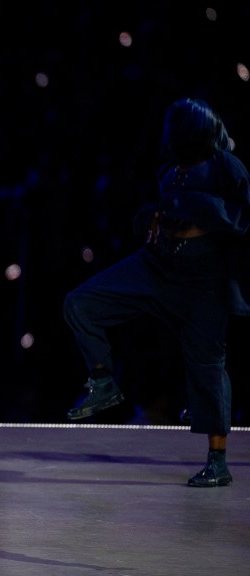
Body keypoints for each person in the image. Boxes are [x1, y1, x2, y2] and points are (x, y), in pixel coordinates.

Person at [63, 98, 250, 487]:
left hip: (203, 280)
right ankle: (102, 381)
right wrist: (151, 215)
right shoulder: (171, 167)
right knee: (82, 302)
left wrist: (187, 207)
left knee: (207, 366)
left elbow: (240, 217)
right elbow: (163, 209)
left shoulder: (225, 166)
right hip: (158, 264)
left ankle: (218, 460)